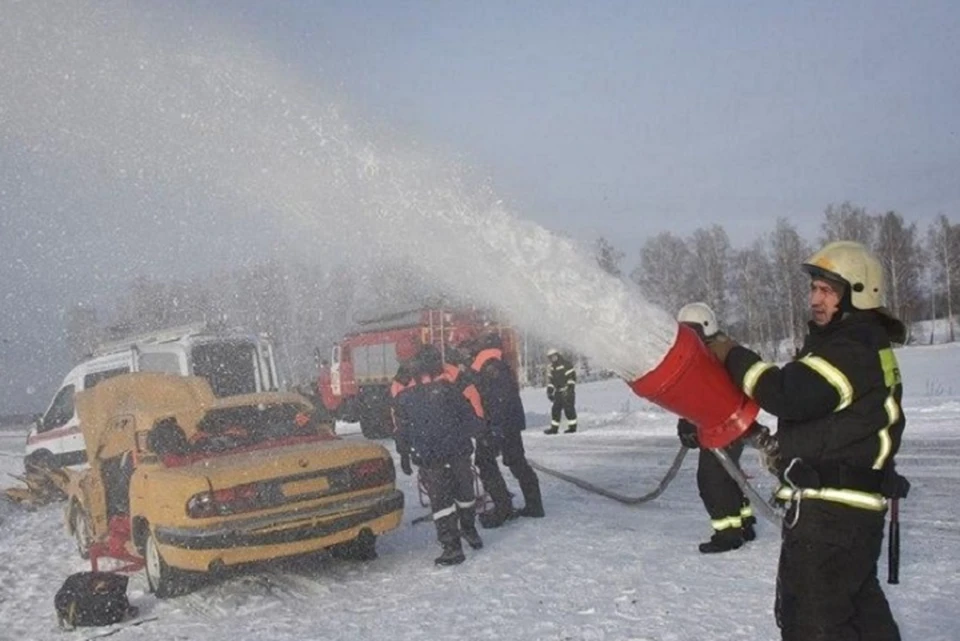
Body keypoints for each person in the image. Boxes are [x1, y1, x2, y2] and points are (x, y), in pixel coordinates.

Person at [706, 241, 908, 640]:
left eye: (827, 290)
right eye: (814, 288)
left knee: (813, 624)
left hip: (833, 518)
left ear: (857, 294)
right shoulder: (854, 343)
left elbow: (787, 394)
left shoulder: (851, 347)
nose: (815, 299)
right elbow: (838, 421)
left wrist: (730, 353)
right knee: (861, 617)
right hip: (847, 515)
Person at [674, 302, 760, 553]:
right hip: (735, 424)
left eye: (690, 330)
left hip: (722, 427)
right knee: (729, 473)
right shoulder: (722, 347)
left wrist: (687, 423)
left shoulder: (710, 355)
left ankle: (728, 534)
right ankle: (744, 521)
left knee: (711, 479)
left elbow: (700, 395)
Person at [391, 344, 486, 566]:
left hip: (430, 456)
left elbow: (401, 427)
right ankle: (469, 531)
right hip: (456, 452)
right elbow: (468, 413)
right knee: (464, 495)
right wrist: (480, 432)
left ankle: (452, 547)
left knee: (442, 503)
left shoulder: (406, 395)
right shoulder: (450, 388)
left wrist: (404, 452)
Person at [462, 333, 545, 526]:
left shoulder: (491, 366)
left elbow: (499, 399)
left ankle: (503, 508)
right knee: (516, 461)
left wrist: (495, 427)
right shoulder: (497, 364)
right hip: (508, 423)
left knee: (485, 463)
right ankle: (534, 505)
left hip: (497, 424)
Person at [543, 348, 578, 434]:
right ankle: (554, 428)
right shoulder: (552, 368)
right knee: (555, 409)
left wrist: (569, 389)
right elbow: (551, 381)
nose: (552, 359)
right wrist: (550, 392)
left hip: (567, 391)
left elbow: (571, 378)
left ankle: (572, 427)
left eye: (553, 356)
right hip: (558, 392)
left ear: (557, 355)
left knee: (569, 409)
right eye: (550, 357)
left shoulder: (566, 365)